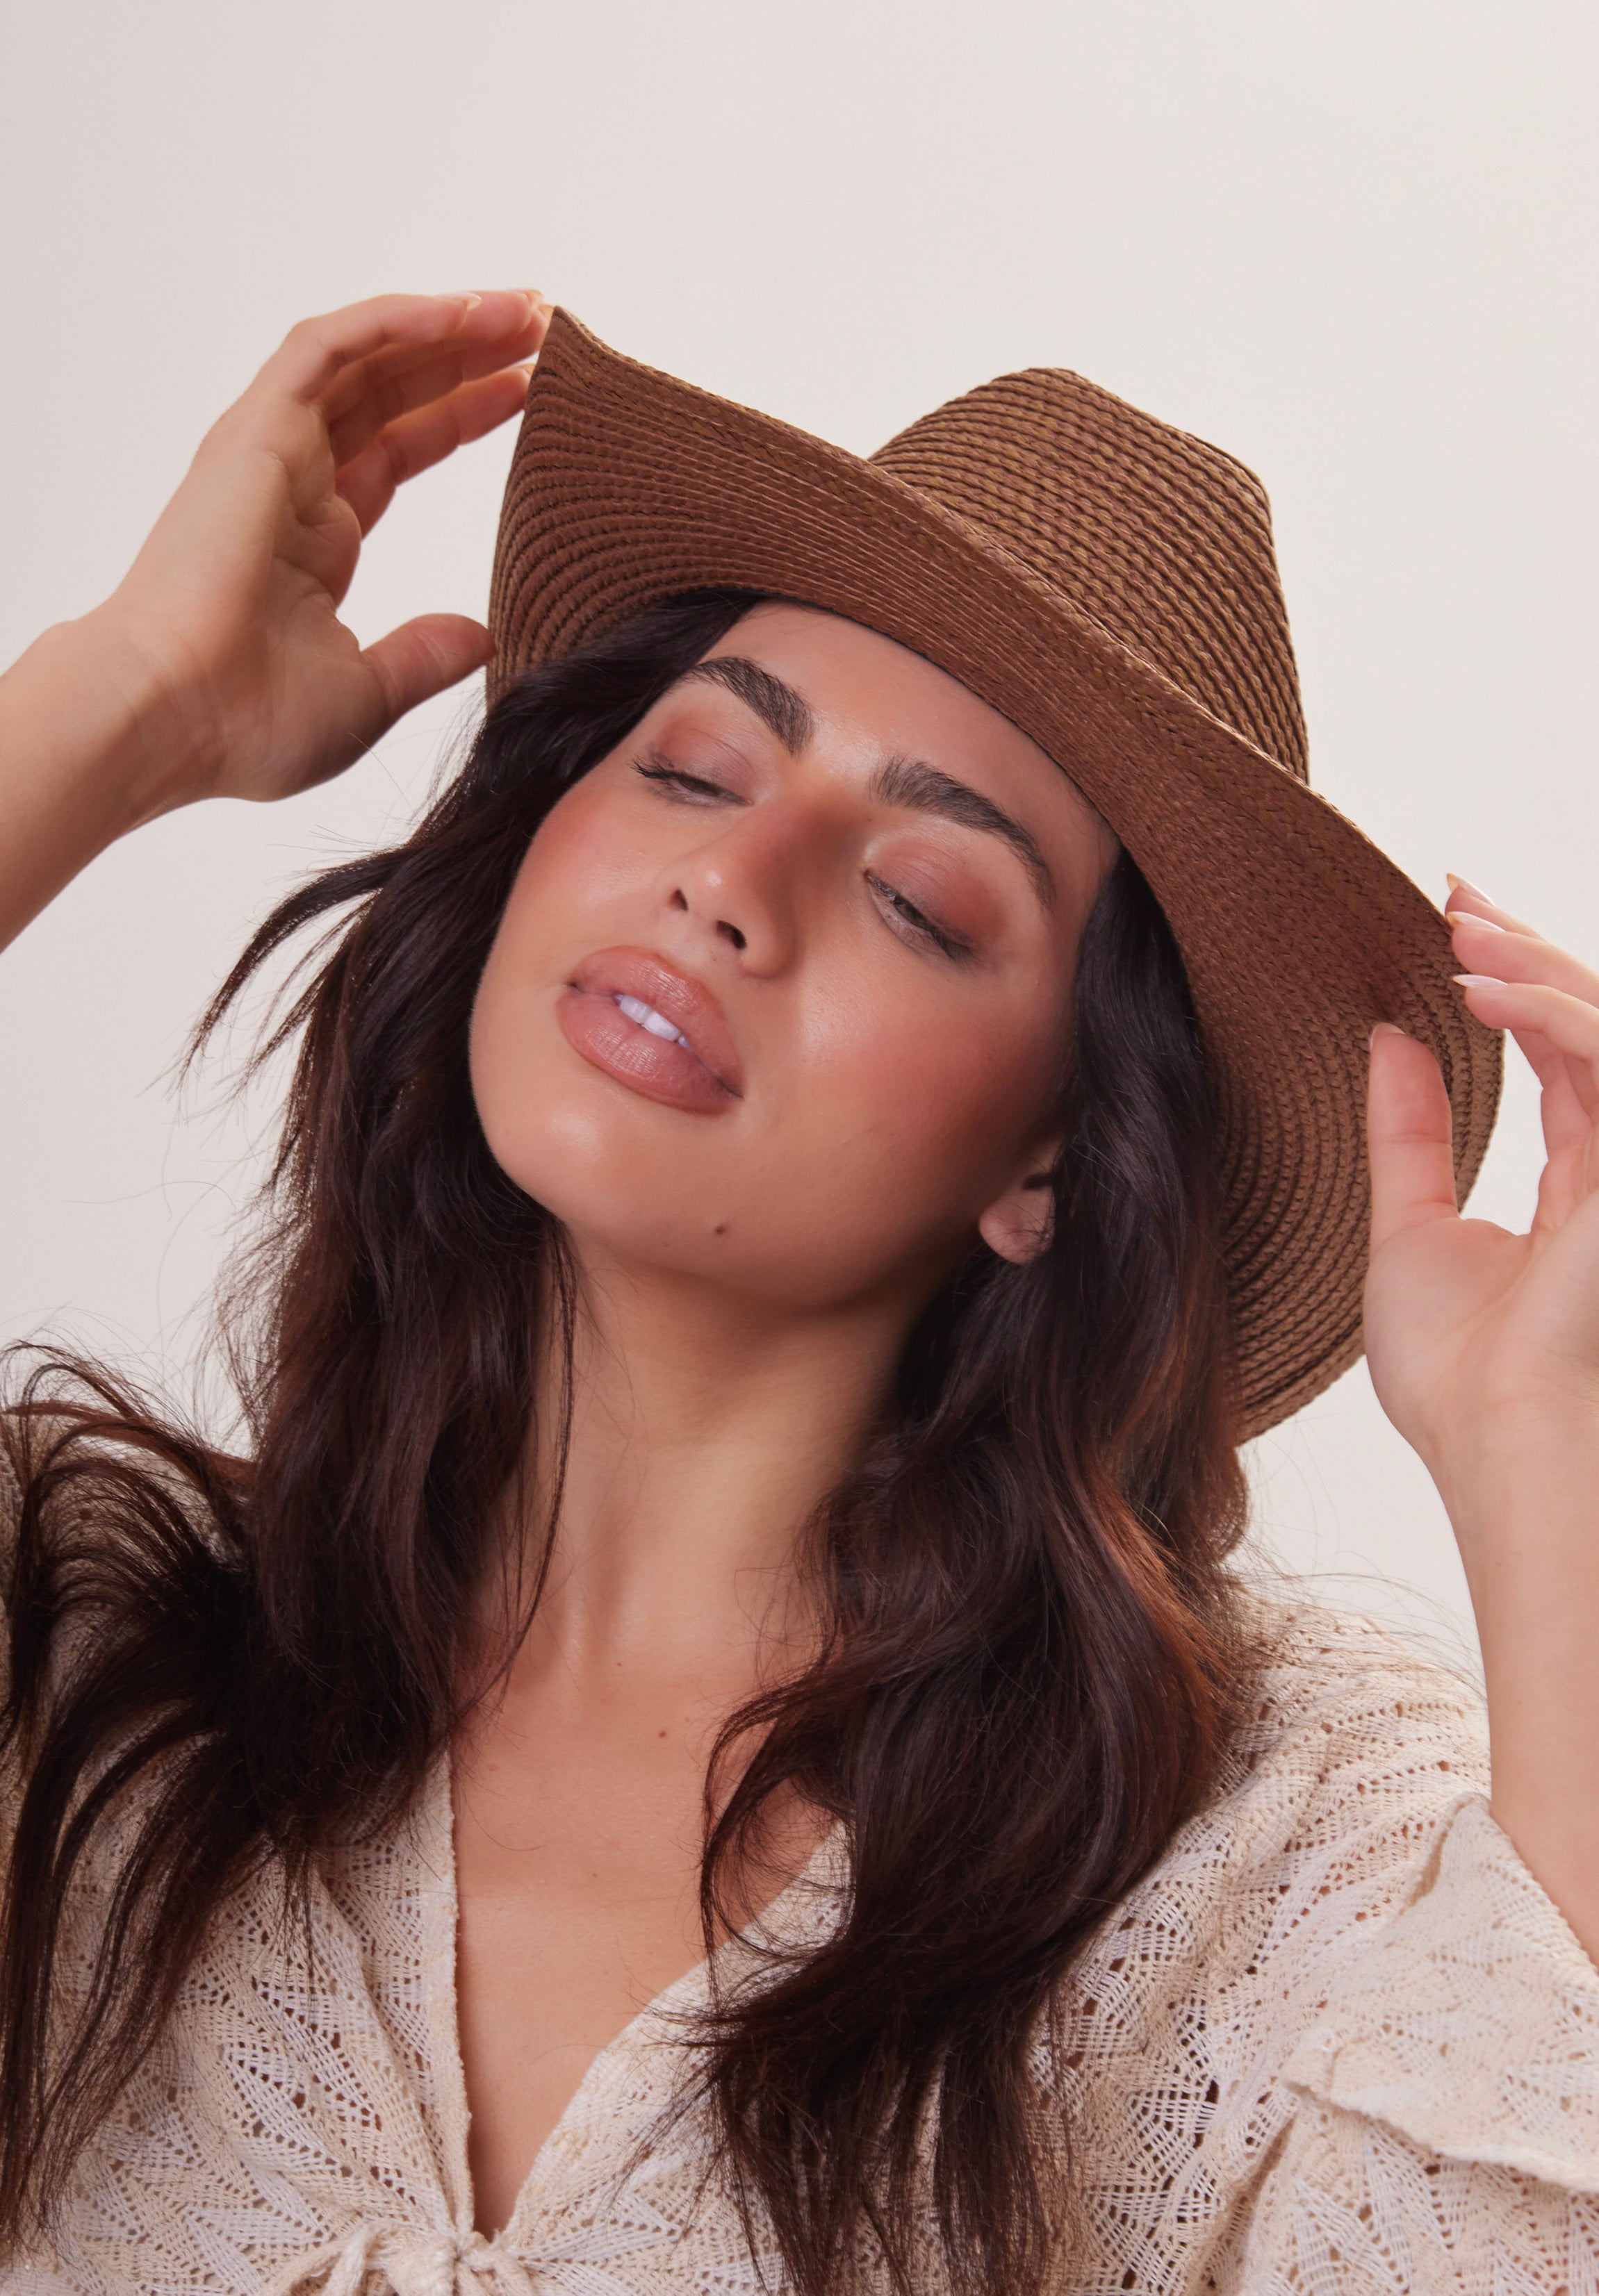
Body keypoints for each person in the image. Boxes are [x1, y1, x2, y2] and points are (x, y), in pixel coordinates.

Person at [0, 286, 1595, 2296]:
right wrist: (110, 704)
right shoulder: (86, 1670)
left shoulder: (1266, 1874)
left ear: (1051, 1161)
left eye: (922, 899)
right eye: (688, 768)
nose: (737, 876)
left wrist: (1559, 1493)